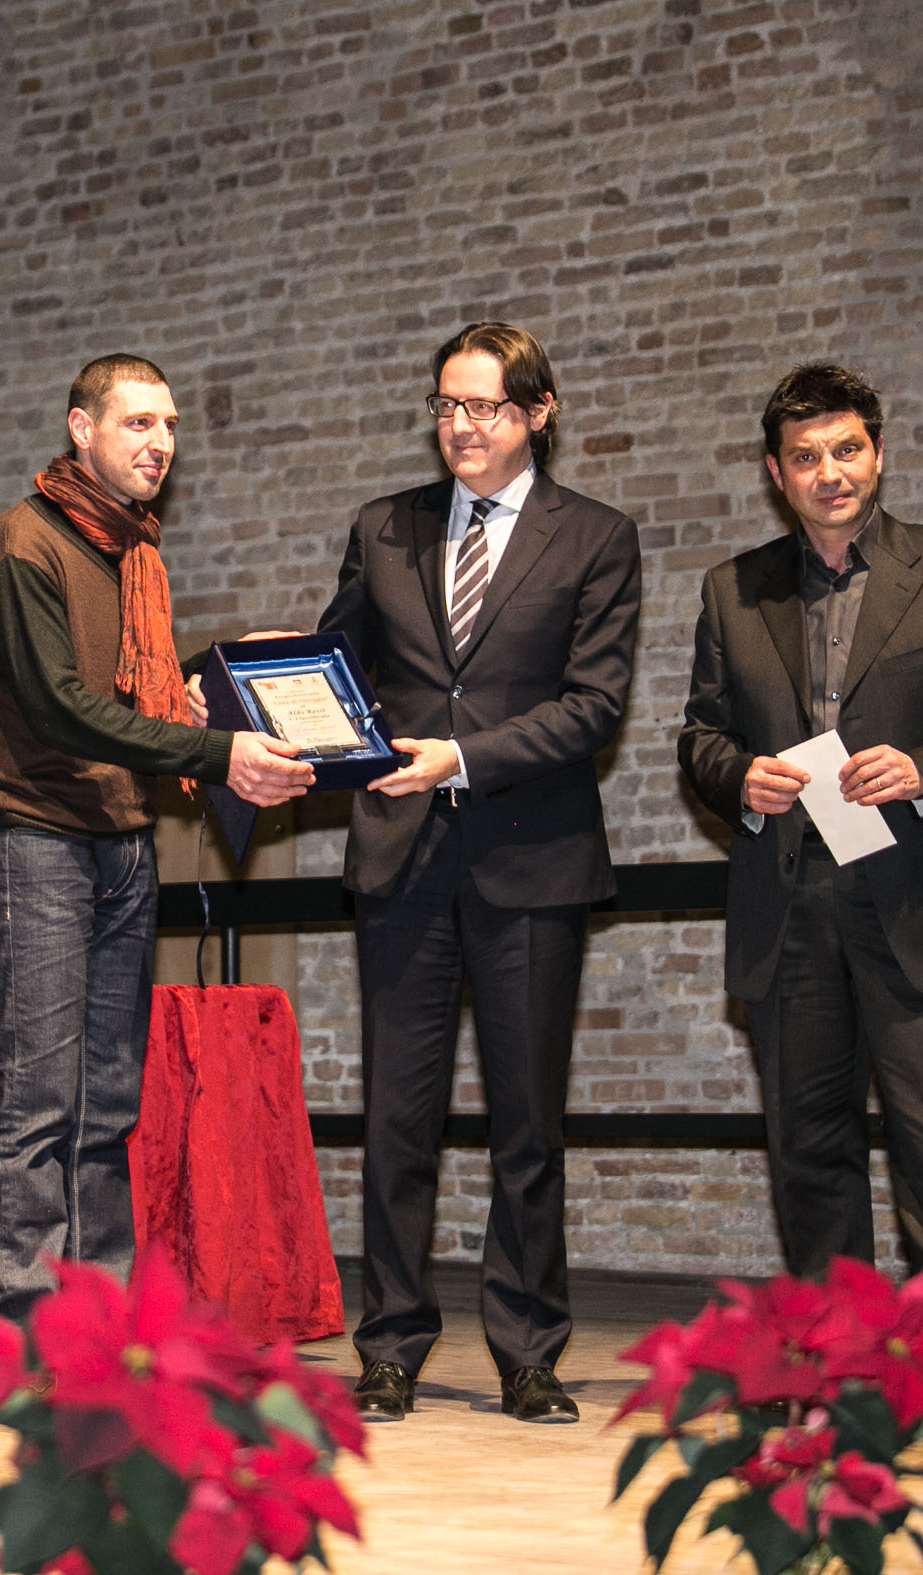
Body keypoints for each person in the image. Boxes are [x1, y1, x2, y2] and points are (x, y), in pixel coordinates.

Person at [676, 361, 923, 1414]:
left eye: (846, 449)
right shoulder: (733, 590)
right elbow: (700, 735)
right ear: (775, 472)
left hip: (918, 901)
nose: (828, 471)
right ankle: (830, 1364)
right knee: (810, 1149)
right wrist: (737, 779)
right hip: (788, 900)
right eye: (805, 456)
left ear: (877, 453)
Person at [317, 323, 642, 1425]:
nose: (461, 426)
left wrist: (460, 758)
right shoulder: (384, 526)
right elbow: (336, 667)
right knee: (395, 1122)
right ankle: (390, 1345)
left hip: (532, 860)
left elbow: (594, 707)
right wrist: (264, 697)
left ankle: (528, 1351)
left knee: (526, 1126)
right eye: (447, 406)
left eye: (486, 407)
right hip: (400, 856)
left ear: (538, 413)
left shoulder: (594, 536)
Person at [0, 353, 315, 1320]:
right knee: (38, 1099)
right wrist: (217, 751)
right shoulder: (20, 546)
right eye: (138, 423)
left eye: (170, 426)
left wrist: (215, 677)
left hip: (122, 841)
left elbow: (125, 693)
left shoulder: (135, 555)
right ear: (82, 429)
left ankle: (103, 1319)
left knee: (107, 1099)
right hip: (31, 842)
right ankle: (37, 1326)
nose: (160, 444)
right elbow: (61, 709)